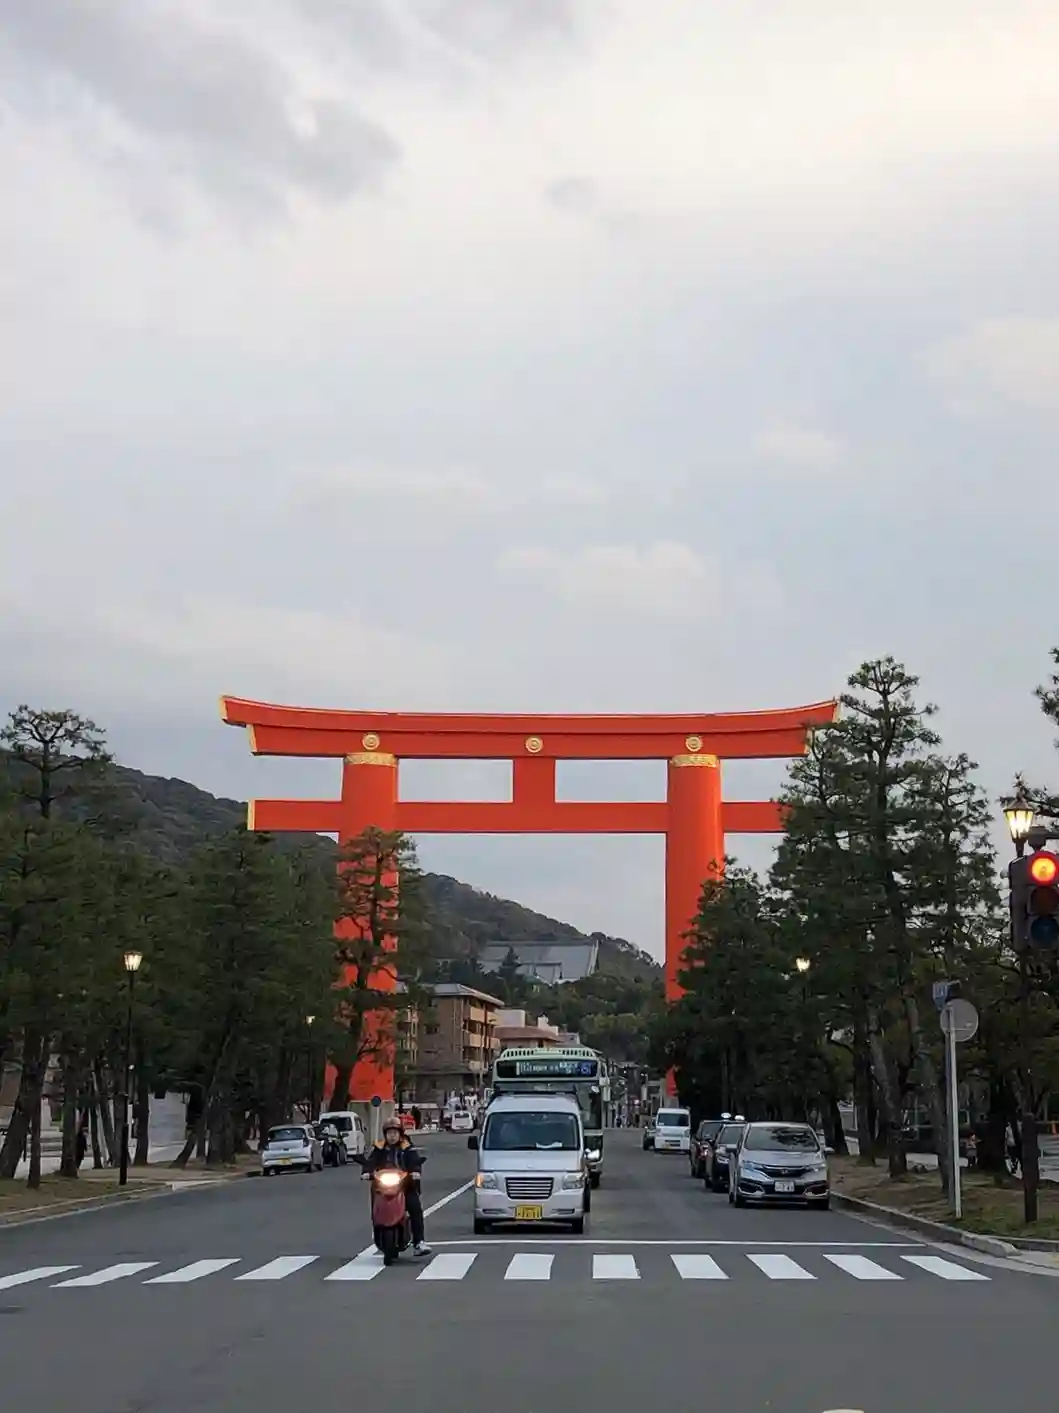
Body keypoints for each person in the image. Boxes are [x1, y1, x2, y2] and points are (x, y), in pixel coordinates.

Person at [364, 1117, 431, 1256]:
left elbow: (414, 1161)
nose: (392, 1136)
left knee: (415, 1208)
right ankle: (377, 1230)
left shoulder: (407, 1147)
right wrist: (366, 1172)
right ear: (385, 1134)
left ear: (400, 1134)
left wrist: (415, 1172)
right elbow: (371, 1161)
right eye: (389, 1133)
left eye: (395, 1133)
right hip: (382, 1186)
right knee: (376, 1206)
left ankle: (419, 1242)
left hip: (404, 1185)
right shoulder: (379, 1148)